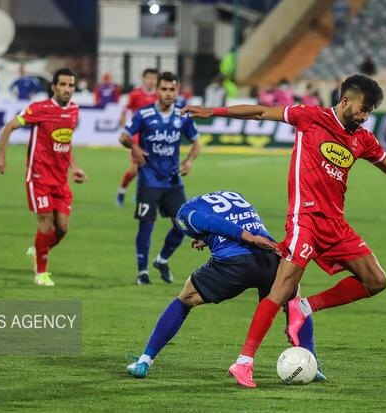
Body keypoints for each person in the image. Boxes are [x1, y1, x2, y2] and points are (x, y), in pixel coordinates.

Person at [182, 74, 386, 387]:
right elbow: (260, 112)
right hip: (305, 219)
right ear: (346, 101)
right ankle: (244, 362)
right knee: (280, 289)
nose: (365, 115)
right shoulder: (310, 117)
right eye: (363, 108)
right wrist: (213, 111)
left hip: (336, 224)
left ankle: (305, 307)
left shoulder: (363, 139)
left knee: (375, 280)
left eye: (370, 111)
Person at [127, 190, 326, 383]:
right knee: (295, 300)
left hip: (234, 264)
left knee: (186, 298)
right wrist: (208, 239)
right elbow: (229, 222)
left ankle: (144, 361)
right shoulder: (235, 196)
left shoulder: (184, 215)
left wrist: (249, 238)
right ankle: (311, 362)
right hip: (269, 258)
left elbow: (210, 222)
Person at [0, 68, 88, 287]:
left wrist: (74, 167)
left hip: (61, 180)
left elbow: (65, 142)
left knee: (62, 228)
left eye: (71, 85)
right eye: (63, 84)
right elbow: (9, 127)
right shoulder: (39, 109)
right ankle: (41, 274)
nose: (67, 89)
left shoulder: (74, 110)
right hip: (39, 177)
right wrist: (0, 156)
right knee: (46, 223)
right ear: (53, 87)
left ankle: (37, 251)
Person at [119, 71, 200, 285]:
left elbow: (196, 141)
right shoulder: (144, 114)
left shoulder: (183, 114)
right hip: (149, 179)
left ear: (177, 90)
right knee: (146, 225)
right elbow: (123, 137)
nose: (168, 93)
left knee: (184, 224)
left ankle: (162, 260)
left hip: (172, 180)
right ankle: (142, 272)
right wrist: (135, 147)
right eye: (163, 89)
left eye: (172, 89)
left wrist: (189, 160)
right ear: (156, 91)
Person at [115, 68, 159, 207]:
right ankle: (122, 190)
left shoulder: (159, 95)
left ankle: (141, 194)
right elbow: (125, 110)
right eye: (149, 78)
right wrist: (125, 125)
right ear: (143, 78)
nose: (151, 81)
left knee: (150, 168)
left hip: (153, 136)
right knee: (135, 168)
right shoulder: (136, 94)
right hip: (137, 136)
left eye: (154, 78)